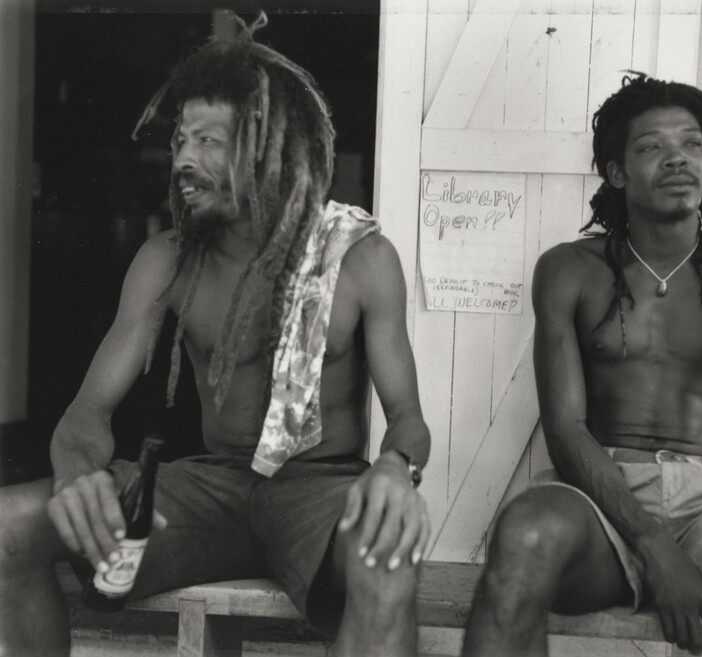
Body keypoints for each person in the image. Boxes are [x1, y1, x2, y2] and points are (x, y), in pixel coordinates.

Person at [0, 13, 430, 657]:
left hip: (321, 490)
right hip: (212, 489)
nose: (182, 159)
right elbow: (89, 410)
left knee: (387, 560)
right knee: (9, 525)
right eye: (180, 140)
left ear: (267, 148)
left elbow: (408, 419)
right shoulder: (168, 259)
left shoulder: (360, 260)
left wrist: (396, 468)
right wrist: (76, 475)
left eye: (207, 141)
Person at [462, 74, 702, 657]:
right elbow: (565, 430)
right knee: (525, 534)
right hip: (598, 503)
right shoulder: (570, 269)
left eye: (692, 144)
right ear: (617, 173)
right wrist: (655, 546)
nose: (677, 158)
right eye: (651, 146)